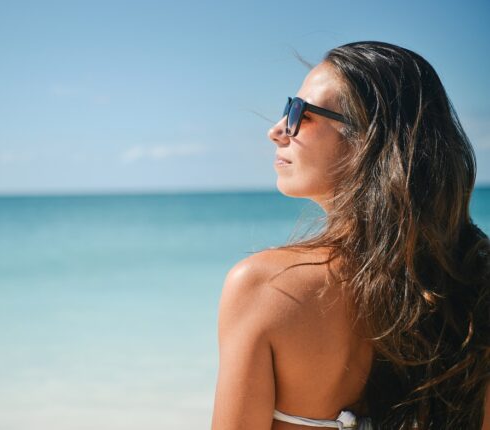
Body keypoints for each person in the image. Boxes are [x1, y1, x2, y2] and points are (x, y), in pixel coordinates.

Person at [210, 41, 490, 429]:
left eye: (299, 112)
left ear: (366, 140)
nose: (277, 130)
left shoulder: (264, 288)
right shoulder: (473, 283)